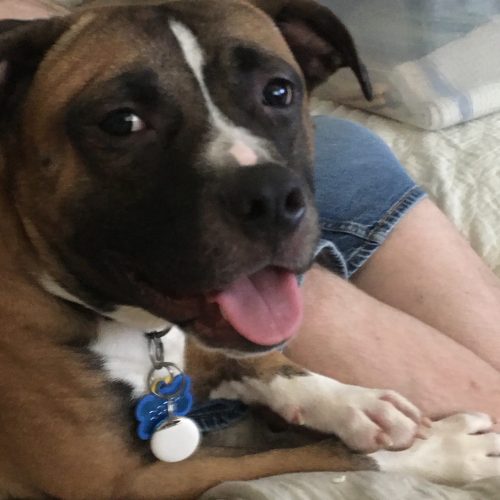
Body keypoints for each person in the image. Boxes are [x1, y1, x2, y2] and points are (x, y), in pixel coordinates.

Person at [4, 0, 500, 424]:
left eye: (277, 93)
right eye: (124, 123)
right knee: (253, 267)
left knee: (345, 153)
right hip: (81, 206)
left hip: (336, 152)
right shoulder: (53, 69)